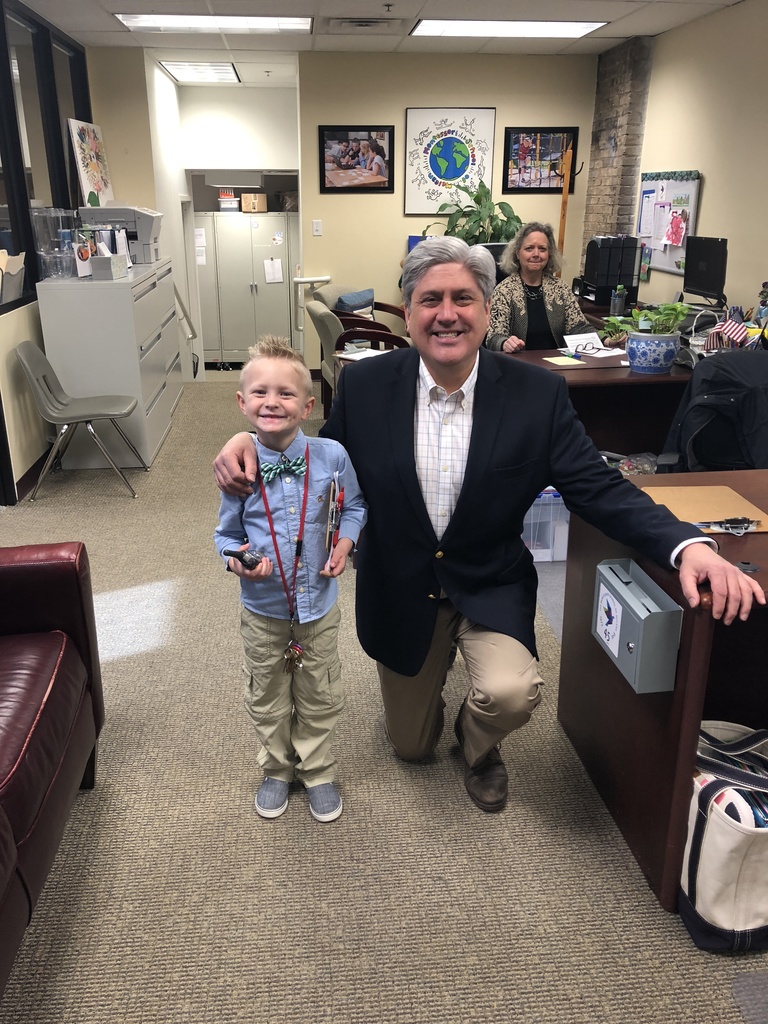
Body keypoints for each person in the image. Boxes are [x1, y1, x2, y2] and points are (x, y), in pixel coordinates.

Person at [213, 239, 764, 815]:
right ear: (409, 311)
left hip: (489, 581)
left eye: (463, 298)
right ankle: (429, 702)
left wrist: (685, 545)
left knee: (510, 694)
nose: (446, 314)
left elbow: (598, 487)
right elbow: (314, 461)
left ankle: (476, 745)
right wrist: (247, 440)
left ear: (486, 308)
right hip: (401, 586)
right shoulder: (366, 386)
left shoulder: (537, 394)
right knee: (411, 748)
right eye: (430, 299)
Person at [214, 337, 366, 823]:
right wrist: (237, 561)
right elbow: (225, 536)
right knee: (267, 696)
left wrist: (345, 542)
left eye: (285, 393)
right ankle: (277, 768)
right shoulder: (238, 469)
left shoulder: (332, 455)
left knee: (320, 692)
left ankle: (317, 770)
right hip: (263, 609)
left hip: (318, 605)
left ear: (308, 405)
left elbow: (354, 506)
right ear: (243, 402)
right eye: (260, 392)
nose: (272, 402)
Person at [485, 221, 592, 352]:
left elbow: (579, 327)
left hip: (558, 361)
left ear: (549, 254)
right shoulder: (504, 291)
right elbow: (494, 337)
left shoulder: (560, 288)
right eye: (529, 248)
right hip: (519, 362)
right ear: (517, 253)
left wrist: (605, 339)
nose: (536, 254)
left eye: (542, 249)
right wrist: (504, 343)